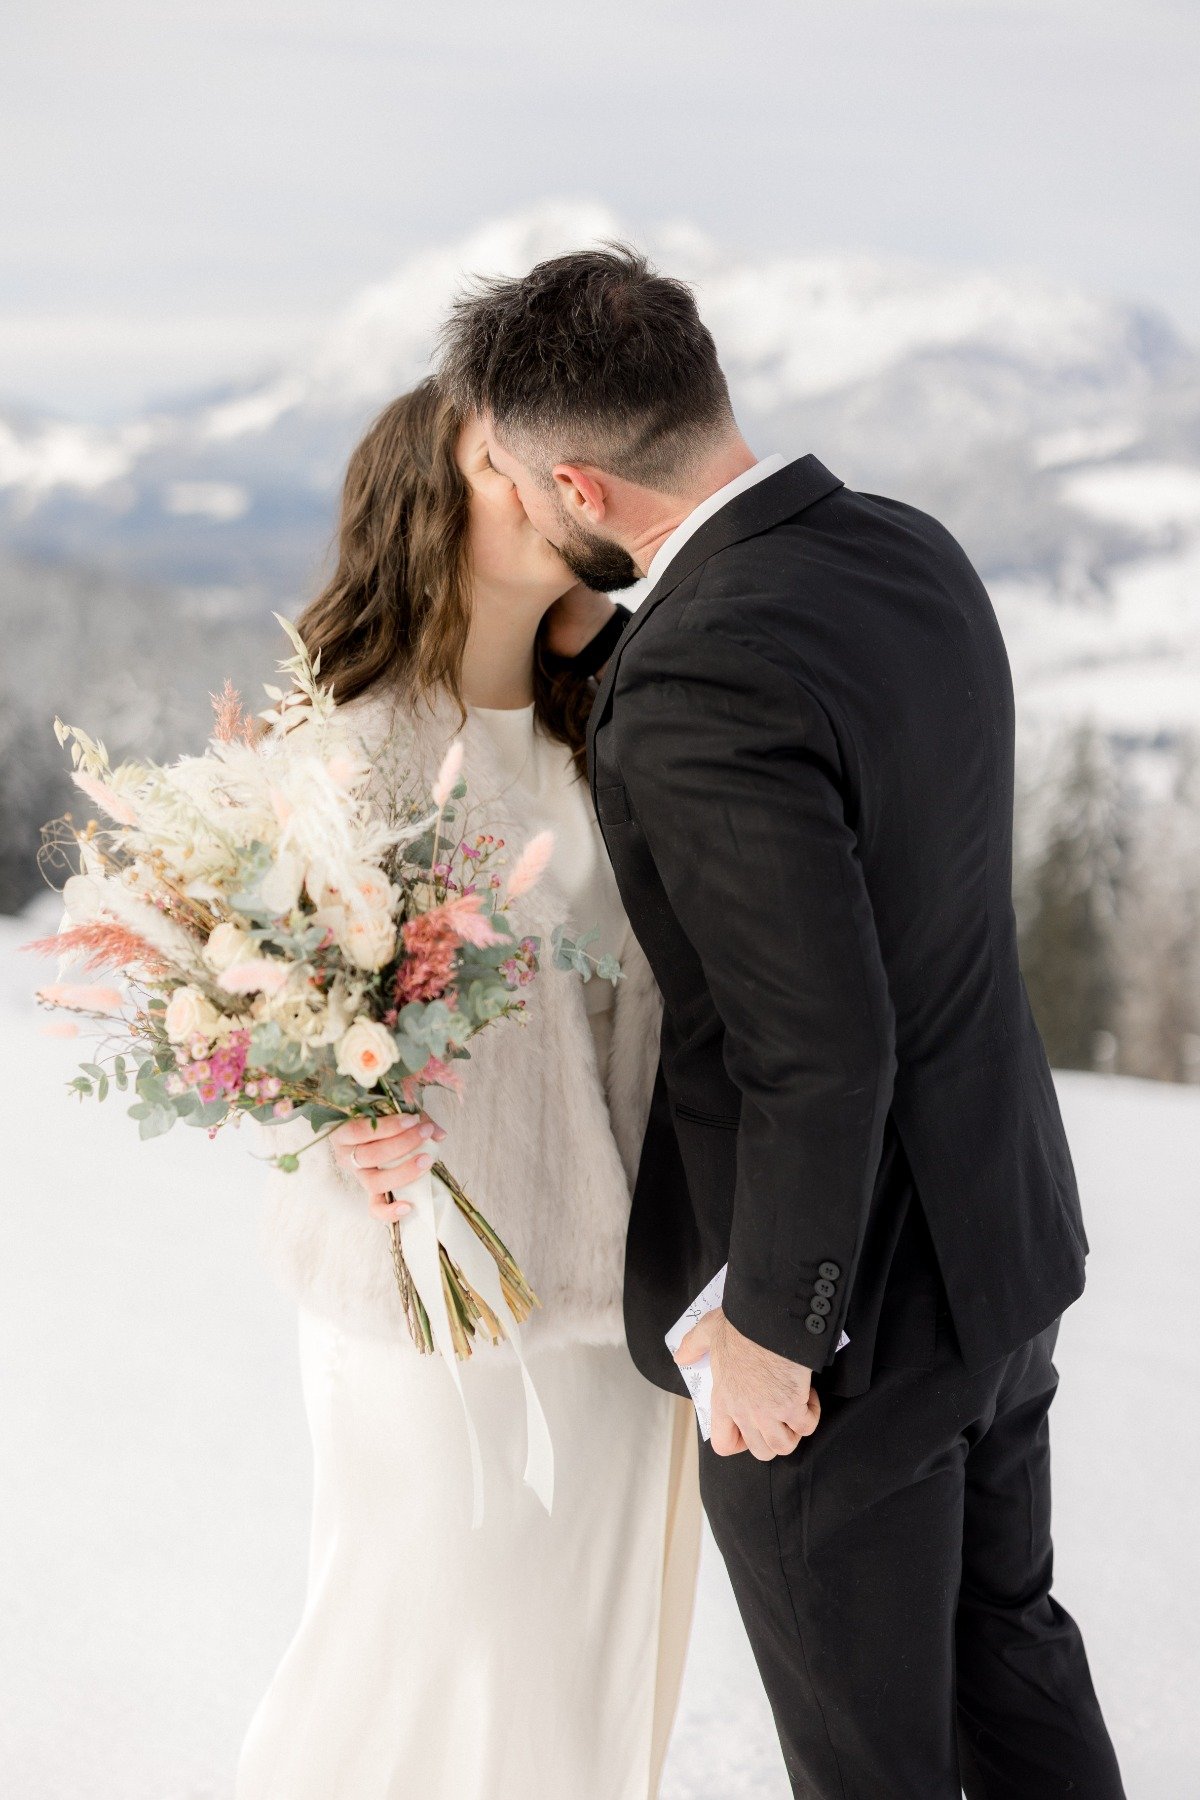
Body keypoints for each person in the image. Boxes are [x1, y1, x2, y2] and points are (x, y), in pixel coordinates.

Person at [437, 246, 1127, 1799]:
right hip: (1001, 1245)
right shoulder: (907, 552)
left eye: (515, 481)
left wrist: (769, 1335)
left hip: (846, 1337)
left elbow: (819, 1045)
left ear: (580, 488)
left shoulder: (693, 680)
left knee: (867, 1763)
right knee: (1009, 1659)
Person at [234, 377, 701, 1800]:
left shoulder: (620, 720)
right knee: (415, 1639)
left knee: (598, 1670)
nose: (546, 485)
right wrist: (336, 1130)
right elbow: (258, 1014)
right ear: (427, 504)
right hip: (423, 1287)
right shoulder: (349, 747)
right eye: (503, 468)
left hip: (631, 1290)